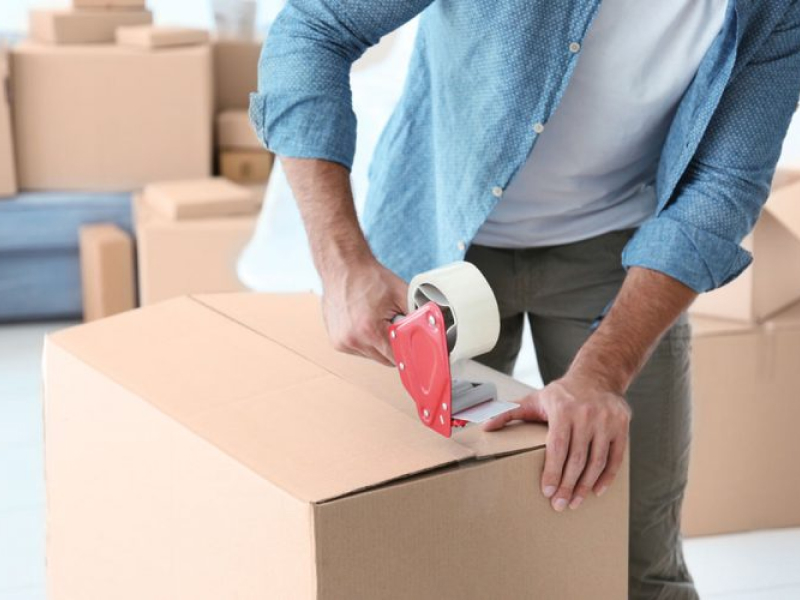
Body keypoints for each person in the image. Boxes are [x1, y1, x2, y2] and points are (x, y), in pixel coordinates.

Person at [249, 1, 800, 597]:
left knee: (634, 554)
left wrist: (604, 371)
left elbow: (724, 184)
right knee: (411, 532)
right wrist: (342, 265)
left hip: (618, 257)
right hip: (435, 237)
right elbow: (314, 29)